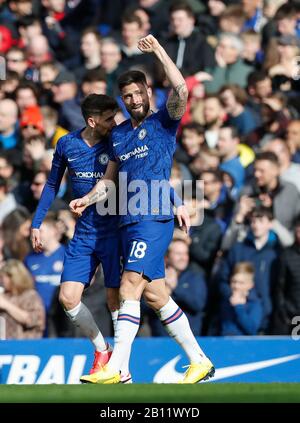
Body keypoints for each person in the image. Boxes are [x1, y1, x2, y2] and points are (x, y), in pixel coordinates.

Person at [71, 35, 215, 384]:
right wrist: (86, 199)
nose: (134, 100)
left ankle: (118, 367)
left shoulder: (163, 121)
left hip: (154, 217)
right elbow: (109, 180)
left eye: (138, 93)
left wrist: (160, 52)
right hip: (126, 219)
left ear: (148, 92)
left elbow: (180, 88)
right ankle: (200, 361)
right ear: (122, 99)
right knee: (154, 294)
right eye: (128, 96)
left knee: (129, 286)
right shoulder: (118, 135)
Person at [30, 92, 187, 383]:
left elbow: (150, 174)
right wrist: (37, 223)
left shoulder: (120, 140)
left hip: (116, 231)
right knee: (68, 298)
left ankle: (120, 371)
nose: (115, 121)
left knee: (119, 298)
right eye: (108, 118)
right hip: (85, 233)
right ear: (91, 121)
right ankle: (103, 350)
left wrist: (177, 200)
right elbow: (52, 184)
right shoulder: (67, 144)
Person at [0, 259, 45, 339]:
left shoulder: (31, 296)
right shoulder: (3, 295)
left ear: (13, 277)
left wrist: (6, 305)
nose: (1, 281)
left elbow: (31, 320)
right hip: (4, 347)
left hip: (26, 347)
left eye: (3, 277)